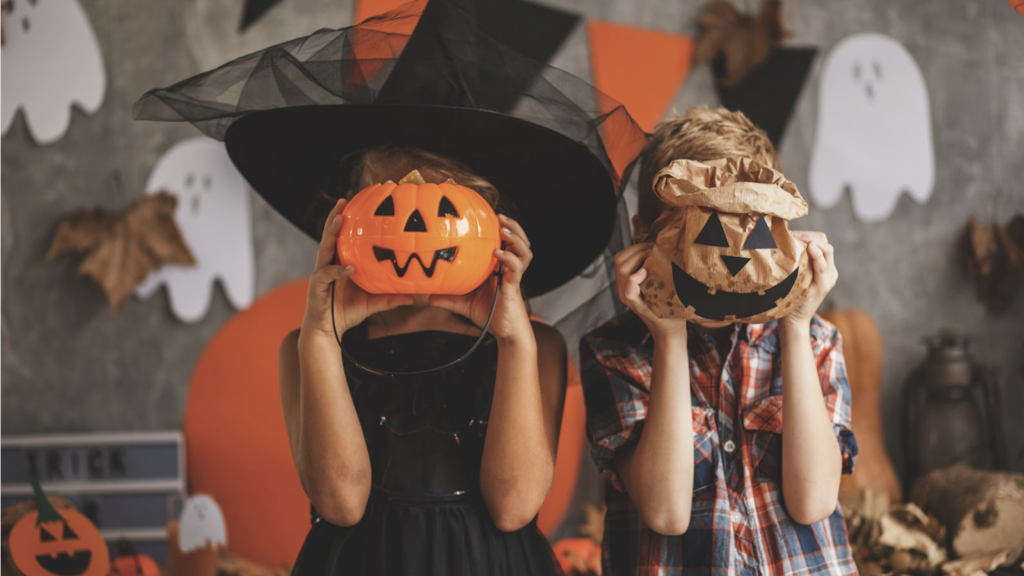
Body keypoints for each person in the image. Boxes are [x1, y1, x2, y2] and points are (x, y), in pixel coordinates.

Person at [581, 106, 858, 576]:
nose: (729, 259)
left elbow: (813, 501)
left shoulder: (816, 339)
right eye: (707, 231)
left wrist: (793, 324)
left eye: (749, 231)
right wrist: (667, 334)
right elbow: (666, 512)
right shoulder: (616, 352)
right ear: (643, 232)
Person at [279, 145, 566, 574]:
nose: (418, 228)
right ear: (345, 225)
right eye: (387, 205)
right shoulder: (310, 345)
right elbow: (341, 503)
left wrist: (513, 340)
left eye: (444, 207)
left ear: (488, 226)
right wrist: (321, 337)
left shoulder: (534, 345)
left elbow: (514, 507)